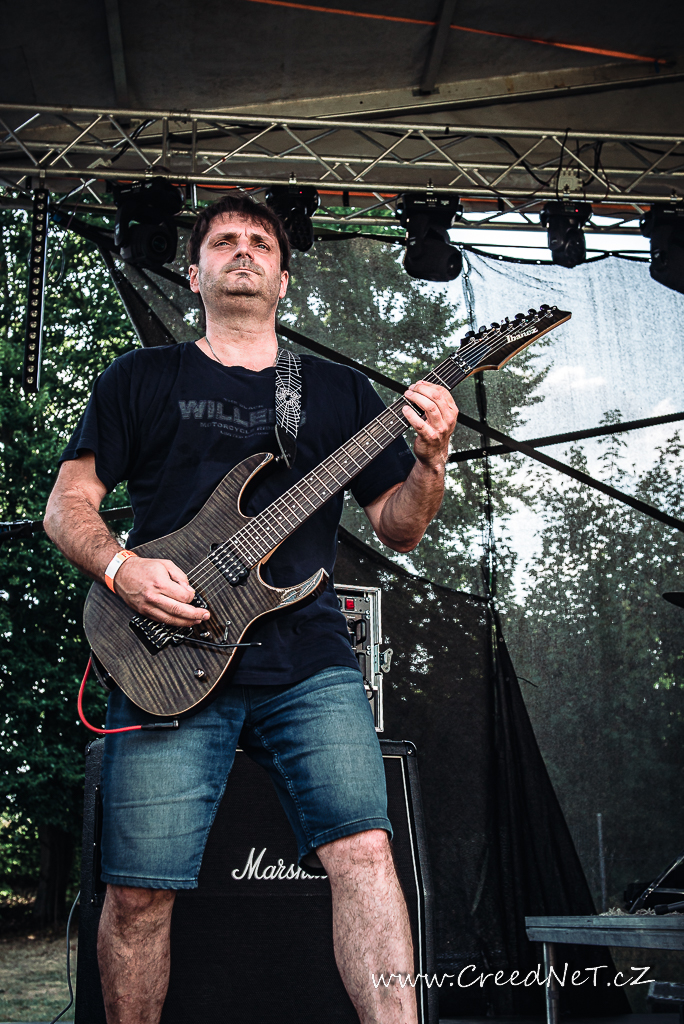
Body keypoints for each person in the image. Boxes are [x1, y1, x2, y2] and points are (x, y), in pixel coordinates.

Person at [44, 193, 458, 1024]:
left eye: (261, 243)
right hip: (165, 651)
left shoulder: (336, 392)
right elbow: (67, 505)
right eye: (224, 241)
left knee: (365, 853)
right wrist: (124, 569)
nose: (243, 251)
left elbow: (399, 528)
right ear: (194, 273)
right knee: (137, 893)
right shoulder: (140, 378)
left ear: (283, 278)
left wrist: (432, 463)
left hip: (307, 656)